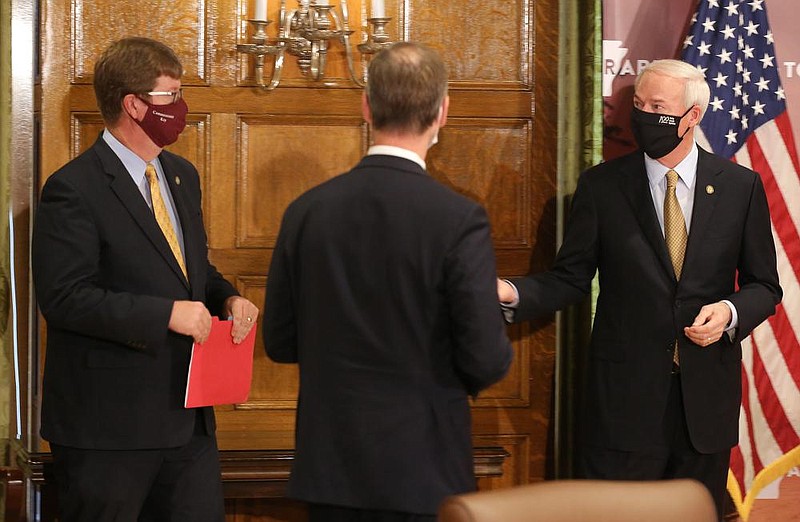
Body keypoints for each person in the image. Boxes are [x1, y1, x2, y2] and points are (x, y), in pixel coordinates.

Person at [498, 59, 782, 519]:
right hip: (624, 406)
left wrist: (730, 312)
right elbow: (569, 280)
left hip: (704, 407)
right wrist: (508, 292)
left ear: (692, 116)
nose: (644, 115)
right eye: (639, 104)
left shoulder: (740, 187)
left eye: (658, 106)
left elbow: (764, 285)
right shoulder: (602, 187)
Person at [263, 41, 513, 522]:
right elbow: (485, 357)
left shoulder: (307, 212)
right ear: (442, 111)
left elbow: (279, 340)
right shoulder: (458, 219)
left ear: (366, 107)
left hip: (331, 468)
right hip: (423, 468)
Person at [32, 37, 259, 522]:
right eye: (170, 96)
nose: (181, 107)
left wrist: (228, 298)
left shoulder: (182, 174)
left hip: (188, 422)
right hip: (109, 430)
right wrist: (166, 316)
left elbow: (188, 270)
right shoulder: (73, 188)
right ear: (133, 105)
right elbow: (65, 297)